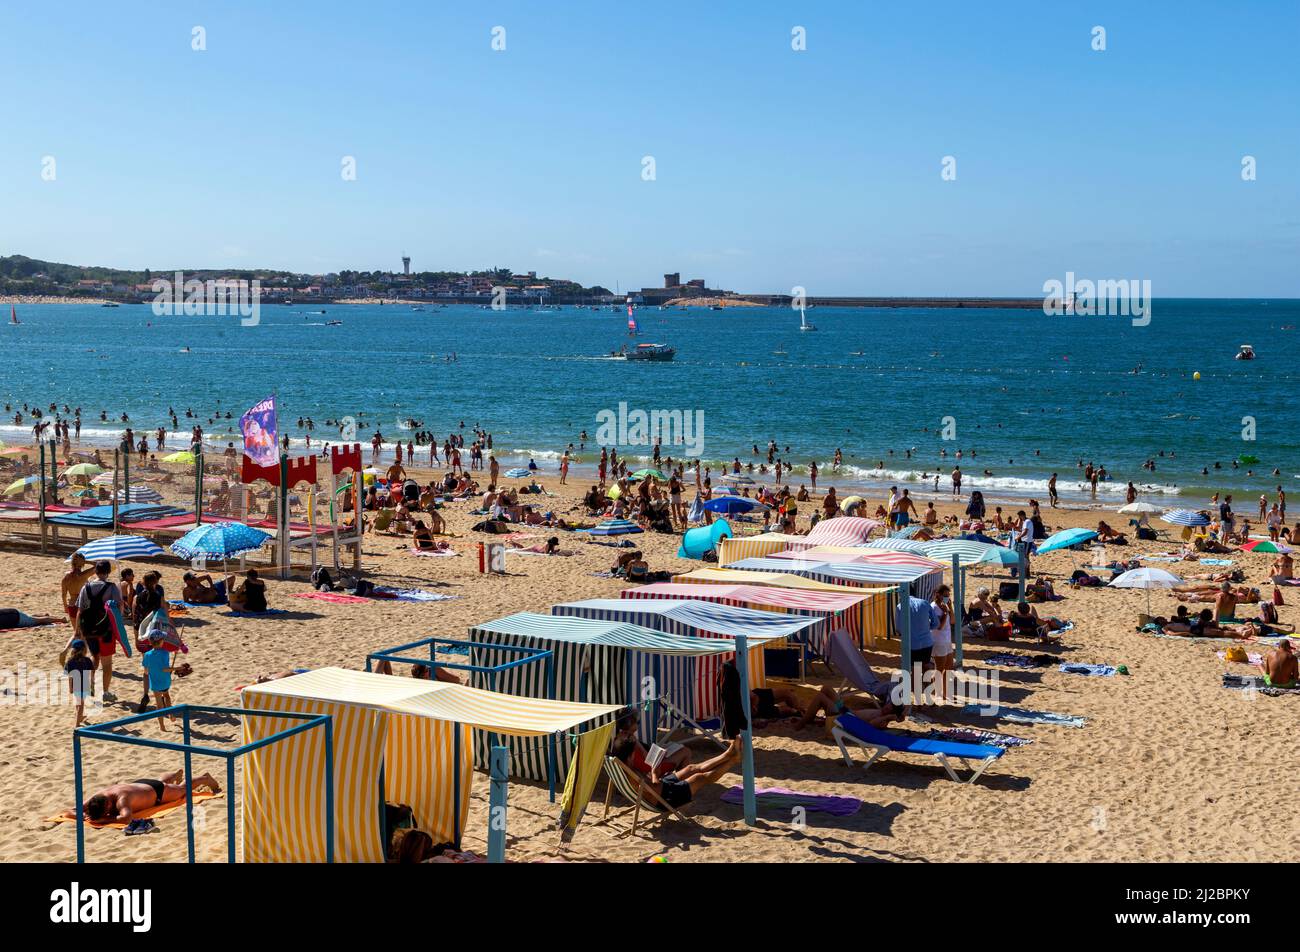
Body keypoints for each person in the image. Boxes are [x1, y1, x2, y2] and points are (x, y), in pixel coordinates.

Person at [611, 708, 737, 810]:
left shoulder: (623, 762)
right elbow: (652, 789)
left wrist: (653, 774)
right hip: (665, 798)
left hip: (662, 787)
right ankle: (733, 760)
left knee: (691, 768)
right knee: (699, 777)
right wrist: (655, 773)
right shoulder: (631, 774)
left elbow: (649, 784)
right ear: (629, 755)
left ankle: (726, 755)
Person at [71, 769, 221, 824]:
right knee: (162, 781)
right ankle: (174, 774)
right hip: (141, 786)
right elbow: (72, 810)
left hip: (158, 793)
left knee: (182, 790)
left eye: (105, 812)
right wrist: (82, 815)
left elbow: (126, 818)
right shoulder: (96, 798)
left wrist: (104, 819)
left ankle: (205, 778)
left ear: (108, 806)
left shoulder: (121, 800)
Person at [76, 560, 121, 701]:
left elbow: (80, 610)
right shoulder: (112, 587)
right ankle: (105, 692)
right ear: (108, 572)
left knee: (94, 656)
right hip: (105, 629)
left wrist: (78, 631)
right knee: (107, 663)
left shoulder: (86, 587)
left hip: (89, 628)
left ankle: (90, 683)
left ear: (95, 572)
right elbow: (119, 609)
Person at [141, 632, 176, 729]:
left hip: (155, 683)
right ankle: (171, 715)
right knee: (167, 697)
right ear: (161, 641)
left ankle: (162, 726)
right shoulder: (165, 653)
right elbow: (165, 669)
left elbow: (146, 671)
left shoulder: (147, 654)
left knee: (159, 705)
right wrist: (176, 669)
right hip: (165, 681)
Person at [929, 584, 955, 698]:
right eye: (945, 595)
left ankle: (945, 692)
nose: (947, 597)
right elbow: (939, 626)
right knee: (939, 669)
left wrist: (950, 609)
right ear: (938, 595)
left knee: (949, 667)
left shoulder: (946, 606)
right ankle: (935, 691)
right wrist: (945, 612)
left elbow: (953, 621)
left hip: (947, 640)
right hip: (938, 641)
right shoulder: (934, 607)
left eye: (948, 595)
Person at [62, 552, 96, 630]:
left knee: (76, 632)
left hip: (71, 605)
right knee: (85, 631)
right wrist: (85, 561)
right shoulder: (84, 575)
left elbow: (64, 594)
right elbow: (99, 565)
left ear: (72, 563)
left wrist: (65, 607)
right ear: (82, 563)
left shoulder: (66, 578)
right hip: (83, 605)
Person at [64, 638, 95, 726]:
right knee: (81, 705)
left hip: (75, 684)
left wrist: (70, 688)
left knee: (78, 703)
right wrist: (92, 686)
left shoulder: (70, 662)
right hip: (84, 684)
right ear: (84, 649)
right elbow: (91, 674)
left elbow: (69, 676)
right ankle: (77, 724)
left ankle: (79, 717)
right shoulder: (87, 660)